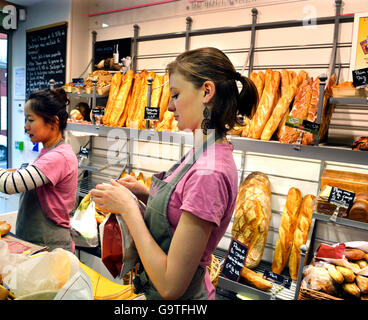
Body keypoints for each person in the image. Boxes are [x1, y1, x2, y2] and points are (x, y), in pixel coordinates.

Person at [90, 47, 259, 300]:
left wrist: (128, 209)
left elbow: (171, 285)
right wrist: (145, 195)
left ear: (206, 92)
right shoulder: (204, 151)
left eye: (176, 95)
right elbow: (182, 216)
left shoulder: (209, 172)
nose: (169, 107)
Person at [0, 88, 78, 252]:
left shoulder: (58, 157)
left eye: (31, 120)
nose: (26, 126)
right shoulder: (49, 153)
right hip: (37, 242)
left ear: (53, 121)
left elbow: (9, 184)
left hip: (51, 246)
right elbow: (20, 175)